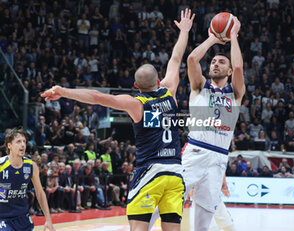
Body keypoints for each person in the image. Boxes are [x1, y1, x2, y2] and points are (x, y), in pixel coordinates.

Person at [42, 9, 195, 231]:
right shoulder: (169, 92)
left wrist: (62, 90)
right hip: (174, 172)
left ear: (136, 86)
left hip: (150, 172)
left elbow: (97, 97)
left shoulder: (137, 103)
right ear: (159, 81)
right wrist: (184, 31)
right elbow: (175, 58)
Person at [152, 16, 244, 231]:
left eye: (221, 62)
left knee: (204, 216)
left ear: (228, 72)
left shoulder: (235, 93)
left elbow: (239, 68)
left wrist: (233, 37)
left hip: (219, 156)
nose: (215, 63)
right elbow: (192, 59)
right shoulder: (200, 86)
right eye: (213, 61)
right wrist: (212, 39)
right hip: (196, 151)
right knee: (170, 198)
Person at [0, 127, 55, 231]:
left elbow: (40, 193)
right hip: (2, 218)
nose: (22, 145)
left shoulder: (31, 166)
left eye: (24, 141)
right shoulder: (1, 165)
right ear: (9, 145)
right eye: (18, 141)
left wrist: (48, 219)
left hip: (22, 217)